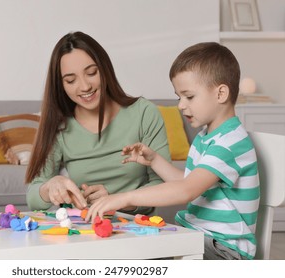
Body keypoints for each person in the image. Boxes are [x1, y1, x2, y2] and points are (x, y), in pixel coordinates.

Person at [85, 42, 260, 260]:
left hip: (224, 249)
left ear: (221, 93)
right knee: (135, 248)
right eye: (179, 97)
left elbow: (186, 190)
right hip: (201, 238)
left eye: (189, 96)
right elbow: (189, 180)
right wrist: (155, 160)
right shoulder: (207, 137)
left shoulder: (231, 142)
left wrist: (124, 198)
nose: (181, 105)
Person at [25, 31, 171, 213]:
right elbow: (33, 196)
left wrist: (119, 200)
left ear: (105, 69)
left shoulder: (143, 113)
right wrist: (50, 186)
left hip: (138, 228)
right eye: (71, 80)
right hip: (85, 230)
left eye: (92, 73)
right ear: (61, 85)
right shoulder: (59, 125)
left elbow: (163, 184)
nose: (85, 86)